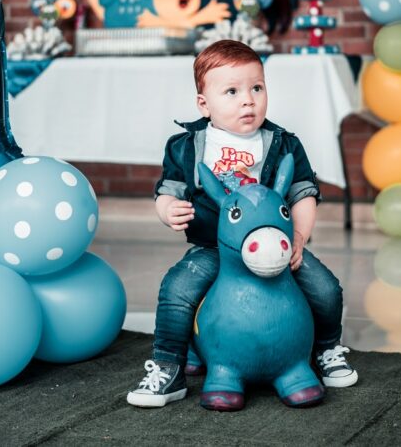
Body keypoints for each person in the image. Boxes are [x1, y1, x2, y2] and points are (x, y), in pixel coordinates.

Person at [127, 40, 357, 408]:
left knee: (326, 289)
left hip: (276, 248)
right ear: (204, 103)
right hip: (214, 247)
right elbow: (167, 190)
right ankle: (168, 366)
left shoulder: (283, 144)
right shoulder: (187, 146)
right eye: (231, 91)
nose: (248, 100)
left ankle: (327, 349)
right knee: (177, 289)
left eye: (256, 88)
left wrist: (298, 237)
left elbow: (303, 194)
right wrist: (168, 209)